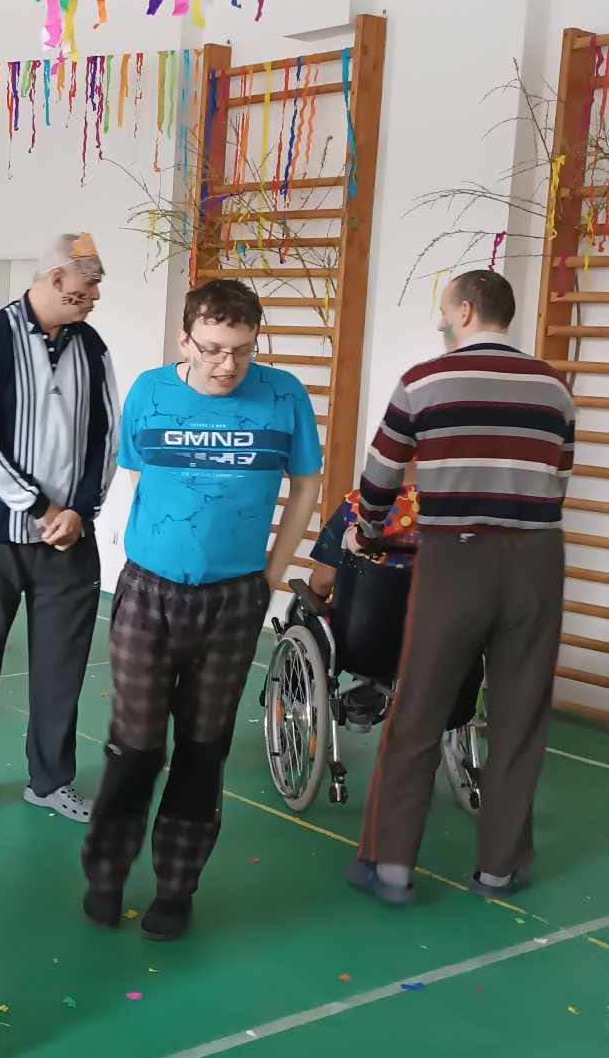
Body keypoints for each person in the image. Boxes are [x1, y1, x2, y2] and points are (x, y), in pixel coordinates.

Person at [82, 278, 322, 939]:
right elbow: (138, 475)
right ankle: (106, 872)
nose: (227, 364)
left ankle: (176, 887)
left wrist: (271, 574)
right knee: (134, 746)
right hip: (148, 591)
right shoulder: (150, 393)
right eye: (213, 348)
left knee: (203, 747)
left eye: (242, 349)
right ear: (184, 340)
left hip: (234, 598)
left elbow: (306, 485)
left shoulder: (283, 396)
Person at [347, 269, 573, 907]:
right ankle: (499, 869)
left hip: (455, 558)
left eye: (446, 311)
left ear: (466, 311)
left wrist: (368, 529)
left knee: (419, 710)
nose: (443, 321)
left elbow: (380, 473)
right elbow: (558, 477)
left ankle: (392, 867)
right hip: (536, 559)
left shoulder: (424, 381)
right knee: (519, 716)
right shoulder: (554, 387)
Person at [0, 232, 118, 825]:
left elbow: (107, 433)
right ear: (54, 278)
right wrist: (38, 507)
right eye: (86, 286)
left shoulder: (92, 346)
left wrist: (80, 511)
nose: (94, 297)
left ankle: (50, 781)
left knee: (62, 667)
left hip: (69, 540)